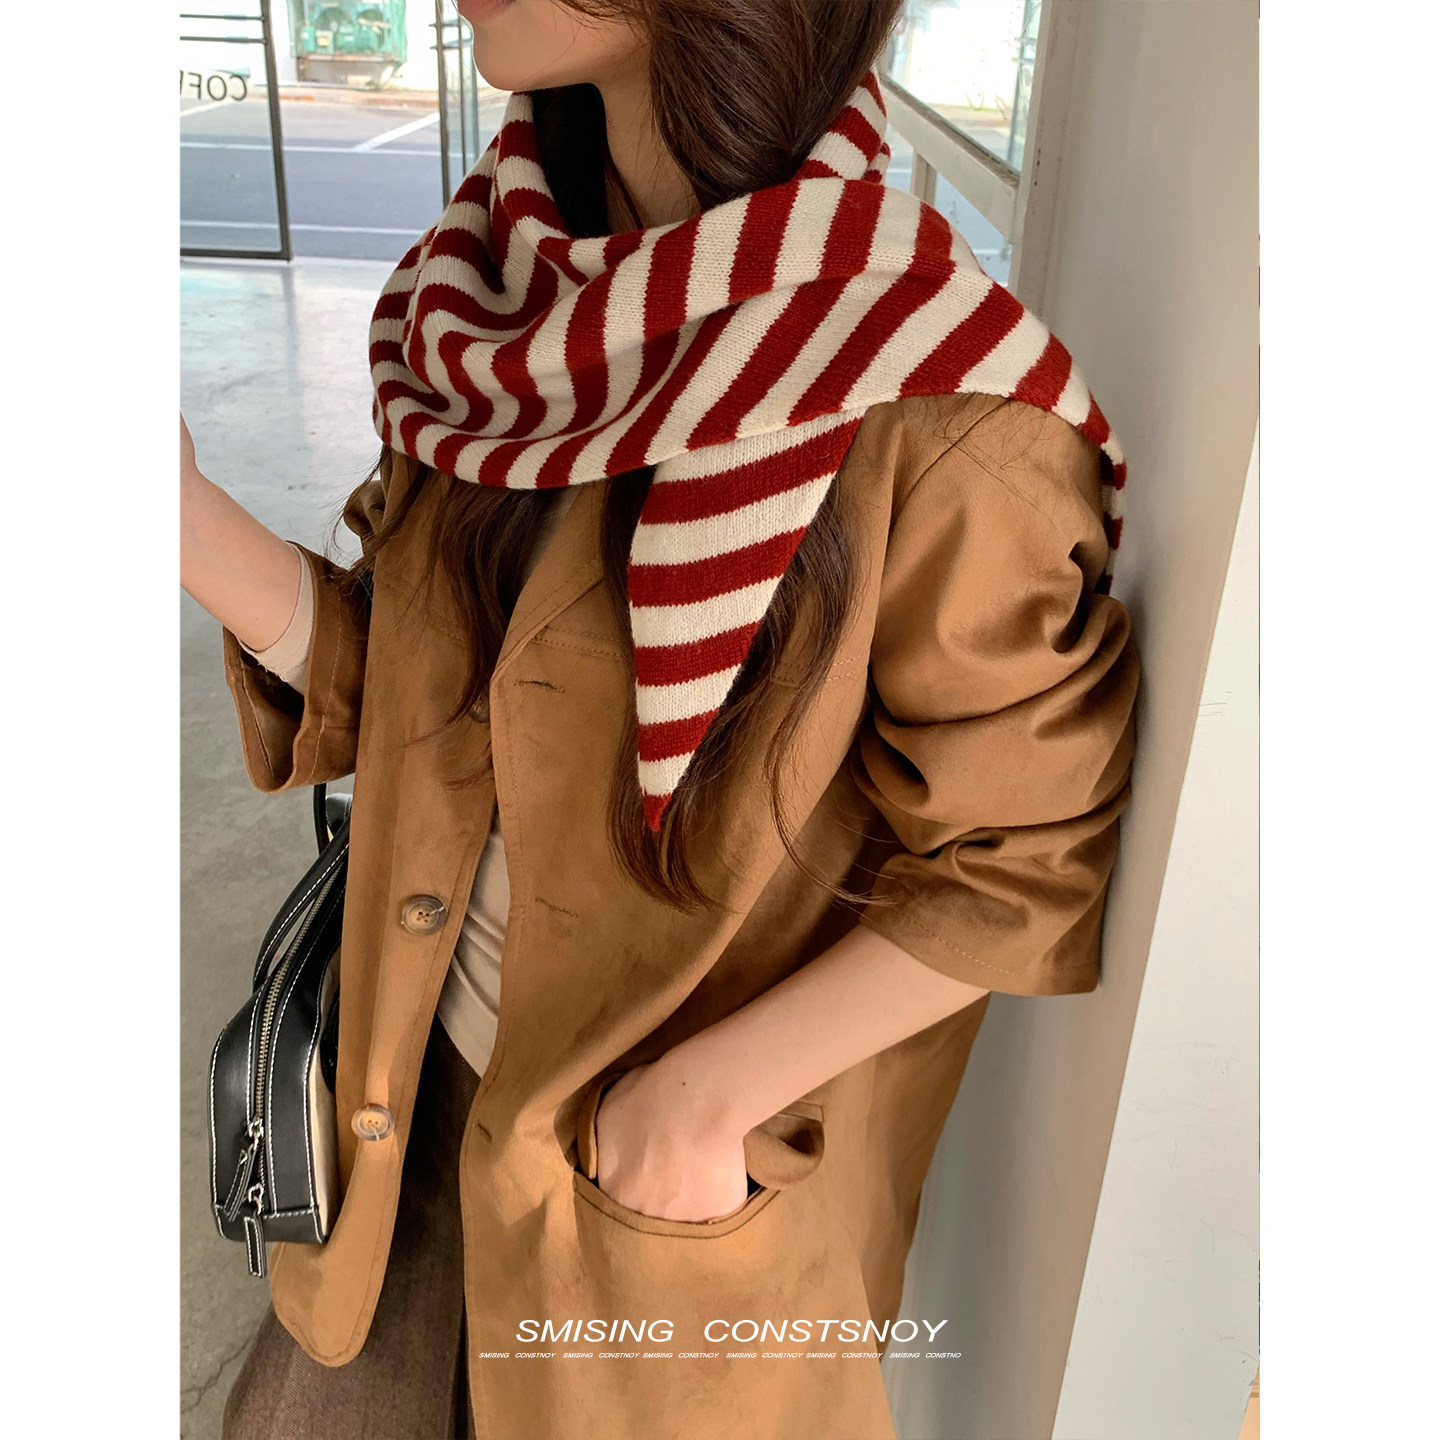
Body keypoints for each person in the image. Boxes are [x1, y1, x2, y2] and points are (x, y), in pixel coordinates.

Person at [181, 2, 1141, 1436]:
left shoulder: (938, 397)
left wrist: (703, 1104)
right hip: (406, 1104)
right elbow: (427, 718)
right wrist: (178, 513)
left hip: (649, 1212)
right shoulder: (498, 301)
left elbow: (1031, 856)